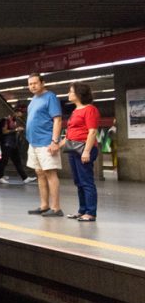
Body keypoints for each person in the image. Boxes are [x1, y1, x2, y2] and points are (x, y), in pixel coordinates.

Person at [24, 73, 64, 216]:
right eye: (30, 84)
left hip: (46, 142)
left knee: (50, 173)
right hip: (34, 143)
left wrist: (54, 141)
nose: (32, 86)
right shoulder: (33, 100)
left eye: (35, 83)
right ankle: (44, 205)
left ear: (43, 83)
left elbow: (57, 120)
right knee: (40, 173)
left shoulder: (50, 97)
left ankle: (56, 208)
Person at [64, 83, 100, 221]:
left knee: (86, 181)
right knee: (78, 182)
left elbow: (92, 132)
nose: (69, 94)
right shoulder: (75, 111)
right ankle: (82, 210)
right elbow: (70, 132)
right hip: (73, 148)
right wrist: (57, 144)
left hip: (84, 148)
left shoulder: (90, 110)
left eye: (71, 91)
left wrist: (86, 151)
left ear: (79, 94)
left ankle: (91, 212)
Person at [0, 109, 34, 184]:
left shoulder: (14, 120)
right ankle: (0, 177)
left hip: (13, 143)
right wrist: (16, 129)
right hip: (6, 143)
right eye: (19, 113)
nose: (20, 115)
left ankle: (25, 178)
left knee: (17, 161)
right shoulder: (6, 120)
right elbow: (4, 131)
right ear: (15, 112)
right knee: (4, 160)